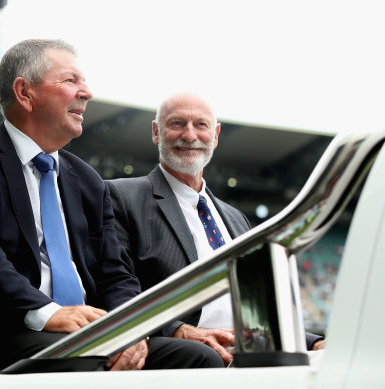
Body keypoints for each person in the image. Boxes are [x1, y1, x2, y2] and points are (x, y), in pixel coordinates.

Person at [0, 40, 223, 378]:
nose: (87, 92)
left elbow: (115, 274)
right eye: (71, 80)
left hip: (78, 335)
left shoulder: (88, 181)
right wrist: (45, 312)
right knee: (87, 363)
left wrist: (128, 328)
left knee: (196, 359)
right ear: (24, 92)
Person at [106, 92, 326, 366]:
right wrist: (179, 329)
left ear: (216, 134)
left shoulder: (236, 219)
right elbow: (115, 285)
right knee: (206, 356)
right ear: (155, 132)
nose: (189, 135)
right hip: (186, 347)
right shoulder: (121, 196)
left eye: (201, 124)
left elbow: (258, 306)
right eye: (177, 123)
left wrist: (313, 341)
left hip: (241, 347)